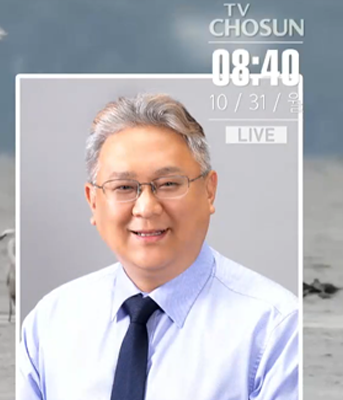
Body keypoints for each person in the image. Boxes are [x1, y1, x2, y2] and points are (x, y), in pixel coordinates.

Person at [16, 93, 299, 400]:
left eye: (168, 184)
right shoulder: (50, 324)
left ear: (209, 191)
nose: (146, 208)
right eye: (124, 187)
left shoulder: (275, 329)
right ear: (93, 201)